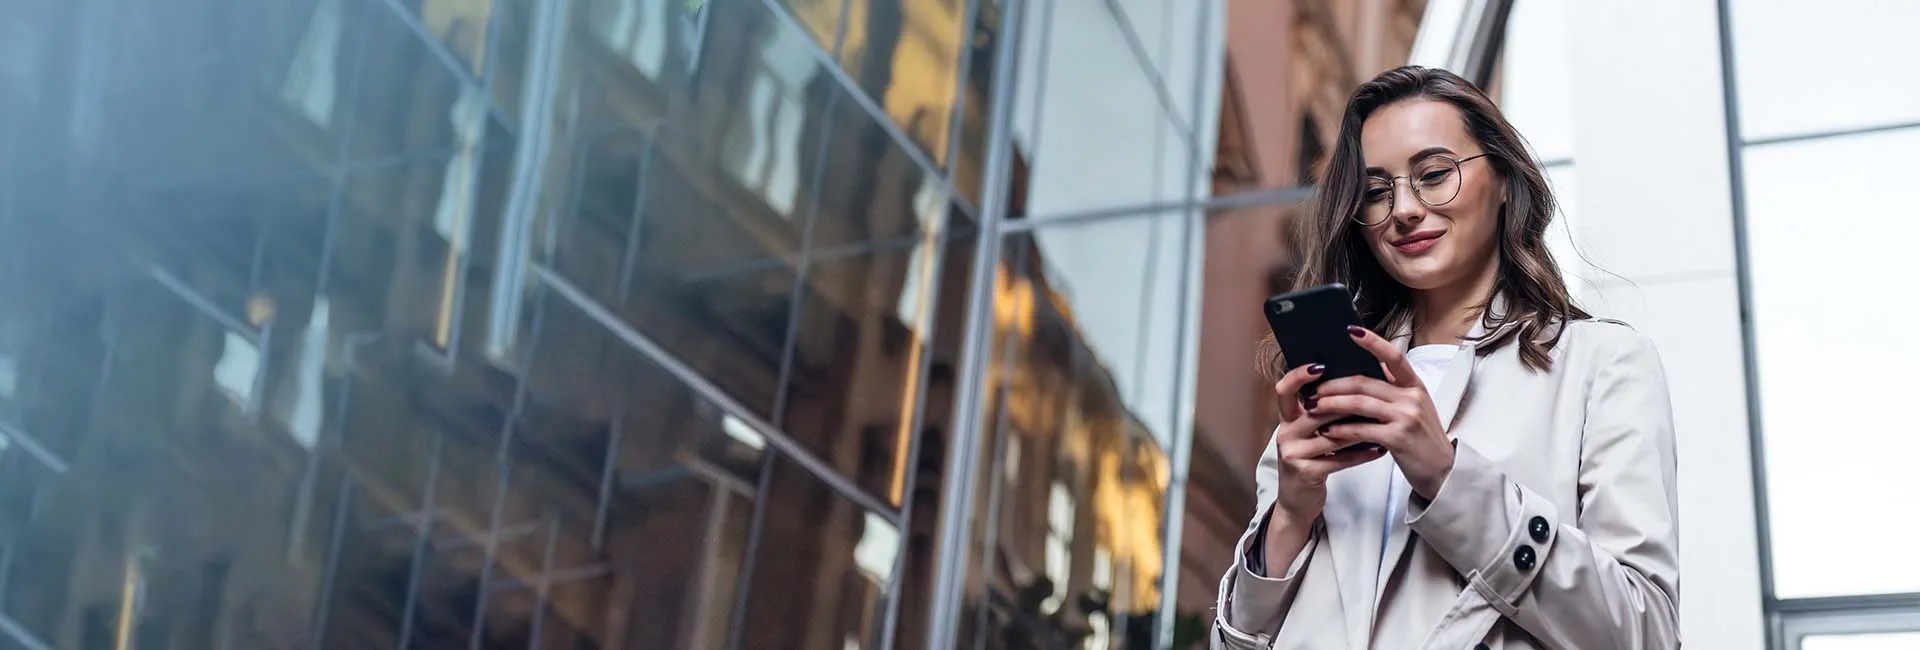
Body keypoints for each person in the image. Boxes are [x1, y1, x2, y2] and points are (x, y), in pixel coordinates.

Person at [1211, 66, 1680, 649]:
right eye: (1376, 192)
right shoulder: (1329, 387)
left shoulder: (1603, 365)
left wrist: (1447, 478)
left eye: (1434, 175)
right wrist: (1289, 517)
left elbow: (1645, 633)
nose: (1403, 209)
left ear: (1506, 179)